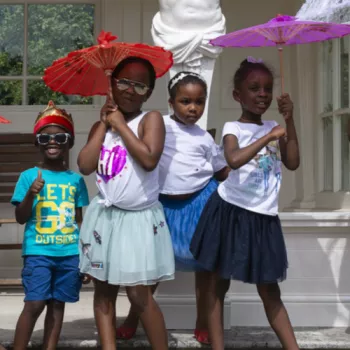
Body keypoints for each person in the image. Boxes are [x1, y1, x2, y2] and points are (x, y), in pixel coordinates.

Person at [190, 58, 300, 350]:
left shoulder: (276, 125)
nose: (262, 94)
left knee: (269, 289)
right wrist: (268, 137)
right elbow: (233, 159)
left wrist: (289, 121)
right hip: (229, 212)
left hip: (262, 217)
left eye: (267, 88)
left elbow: (292, 162)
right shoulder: (232, 127)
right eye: (254, 88)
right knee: (217, 284)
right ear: (238, 95)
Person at [116, 71, 229, 344]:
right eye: (185, 101)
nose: (193, 108)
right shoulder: (157, 125)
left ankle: (203, 321)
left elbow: (221, 171)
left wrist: (243, 159)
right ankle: (134, 318)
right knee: (150, 268)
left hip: (200, 205)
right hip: (162, 207)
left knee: (206, 268)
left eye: (199, 102)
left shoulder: (204, 138)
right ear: (171, 102)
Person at [78, 56, 175, 350]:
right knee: (103, 292)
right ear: (111, 84)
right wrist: (104, 126)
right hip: (105, 219)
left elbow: (148, 159)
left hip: (137, 220)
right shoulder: (102, 125)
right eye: (123, 82)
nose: (130, 90)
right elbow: (85, 164)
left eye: (139, 85)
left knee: (138, 294)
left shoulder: (151, 119)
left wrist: (120, 124)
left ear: (148, 92)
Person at [11, 101, 89, 350]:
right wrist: (31, 194)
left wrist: (86, 256)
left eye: (60, 137)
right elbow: (20, 217)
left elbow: (79, 220)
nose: (53, 142)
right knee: (35, 303)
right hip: (38, 253)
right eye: (45, 138)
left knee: (58, 304)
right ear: (37, 142)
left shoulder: (76, 180)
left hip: (69, 253)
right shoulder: (28, 176)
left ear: (70, 142)